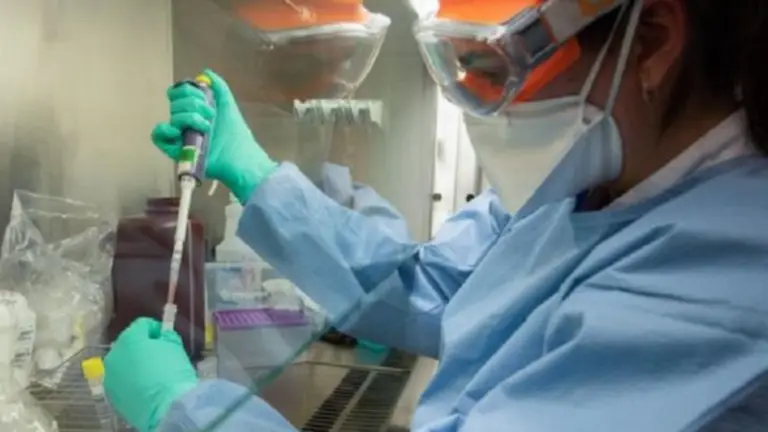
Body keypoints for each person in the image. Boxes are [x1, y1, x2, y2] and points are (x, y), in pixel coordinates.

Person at [104, 0, 768, 430]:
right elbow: (429, 285)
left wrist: (187, 410)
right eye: (457, 69)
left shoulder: (724, 282)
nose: (476, 105)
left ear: (652, 41)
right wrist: (256, 177)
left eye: (492, 67)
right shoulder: (583, 183)